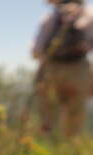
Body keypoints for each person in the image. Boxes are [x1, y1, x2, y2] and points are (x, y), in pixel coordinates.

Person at [32, 0, 93, 136]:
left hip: (51, 70)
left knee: (47, 115)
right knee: (75, 115)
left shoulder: (49, 19)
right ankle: (69, 146)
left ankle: (47, 143)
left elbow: (36, 51)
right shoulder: (89, 14)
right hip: (79, 70)